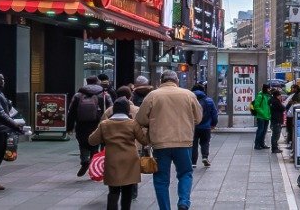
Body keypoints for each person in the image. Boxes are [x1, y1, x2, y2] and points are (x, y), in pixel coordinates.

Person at [135, 69, 200, 210]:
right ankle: (183, 202)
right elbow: (199, 117)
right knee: (185, 173)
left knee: (161, 179)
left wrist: (152, 122)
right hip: (184, 141)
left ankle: (165, 208)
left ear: (161, 81)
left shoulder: (153, 95)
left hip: (160, 143)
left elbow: (140, 119)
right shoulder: (188, 95)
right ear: (176, 81)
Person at [88, 97, 143, 210]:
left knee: (113, 191)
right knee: (127, 191)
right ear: (127, 110)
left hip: (112, 160)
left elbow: (92, 140)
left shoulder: (105, 124)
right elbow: (144, 140)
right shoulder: (133, 123)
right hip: (130, 160)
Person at [71, 75, 112, 176]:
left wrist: (69, 126)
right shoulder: (104, 94)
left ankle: (85, 161)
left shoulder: (78, 95)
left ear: (87, 82)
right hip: (98, 123)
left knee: (82, 142)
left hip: (81, 124)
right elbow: (110, 109)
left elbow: (71, 111)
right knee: (95, 143)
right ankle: (94, 165)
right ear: (97, 82)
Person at [190, 84, 217, 169]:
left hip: (193, 127)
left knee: (193, 144)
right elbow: (214, 114)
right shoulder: (209, 100)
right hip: (206, 126)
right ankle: (205, 157)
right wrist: (213, 124)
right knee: (205, 142)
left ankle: (193, 162)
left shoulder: (189, 100)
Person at [251, 85, 272, 150]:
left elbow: (268, 106)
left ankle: (262, 144)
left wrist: (269, 115)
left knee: (264, 131)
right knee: (260, 130)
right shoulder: (260, 96)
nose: (269, 90)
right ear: (265, 89)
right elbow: (256, 106)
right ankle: (257, 145)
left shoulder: (267, 96)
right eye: (268, 89)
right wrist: (263, 113)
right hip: (261, 117)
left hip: (266, 117)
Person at [267, 86, 287, 153]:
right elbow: (283, 108)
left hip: (274, 119)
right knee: (276, 134)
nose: (281, 96)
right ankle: (274, 148)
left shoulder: (271, 100)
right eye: (280, 95)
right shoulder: (276, 101)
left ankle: (274, 147)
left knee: (275, 134)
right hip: (277, 120)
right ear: (277, 96)